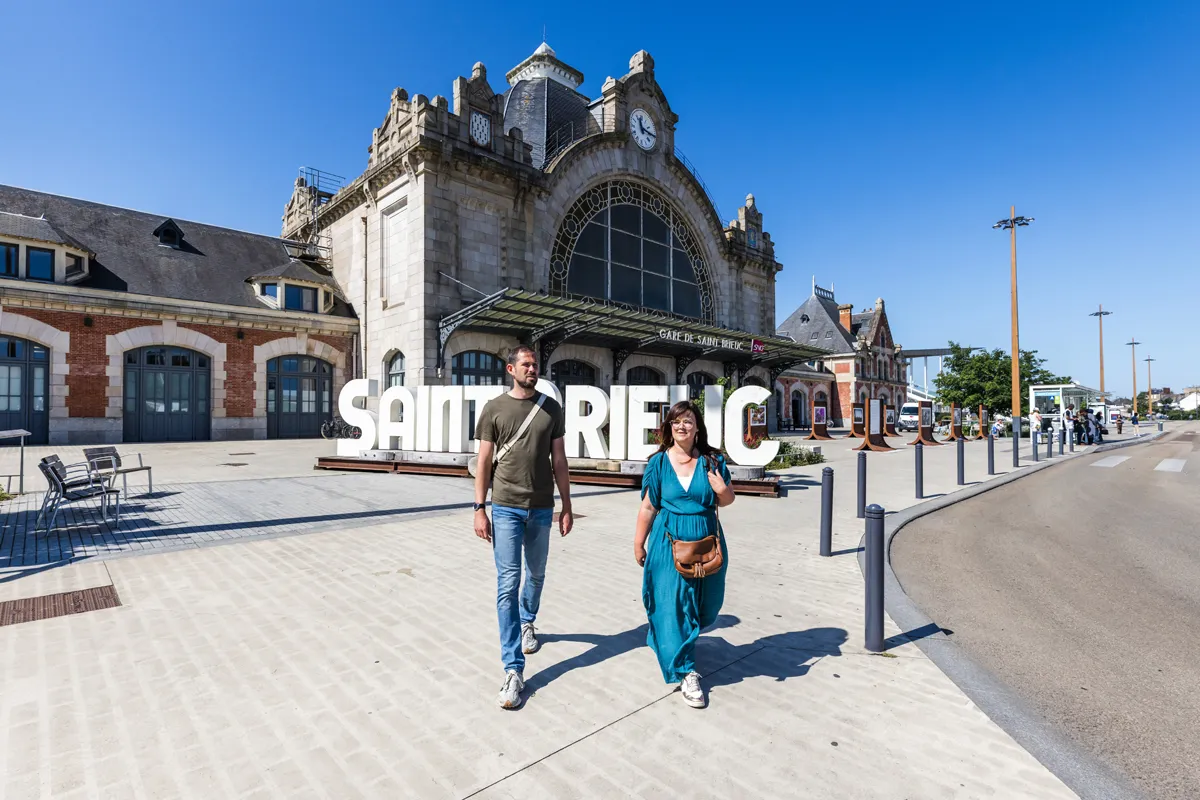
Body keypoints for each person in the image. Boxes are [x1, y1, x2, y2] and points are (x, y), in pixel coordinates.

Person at [473, 345, 574, 710]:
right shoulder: (494, 409)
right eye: (526, 365)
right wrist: (479, 508)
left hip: (543, 508)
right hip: (504, 509)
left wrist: (567, 503)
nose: (533, 369)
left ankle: (528, 620)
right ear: (510, 369)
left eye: (535, 365)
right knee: (507, 584)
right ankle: (513, 669)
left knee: (536, 574)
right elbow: (484, 460)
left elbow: (559, 460)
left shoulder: (551, 408)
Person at [634, 401, 735, 709]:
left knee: (706, 606)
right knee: (673, 606)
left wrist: (720, 488)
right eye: (676, 421)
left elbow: (728, 500)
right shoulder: (658, 463)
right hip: (668, 541)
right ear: (669, 427)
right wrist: (639, 543)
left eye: (688, 421)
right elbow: (648, 507)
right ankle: (685, 670)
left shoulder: (712, 461)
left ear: (697, 427)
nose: (682, 427)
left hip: (707, 542)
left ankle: (672, 641)